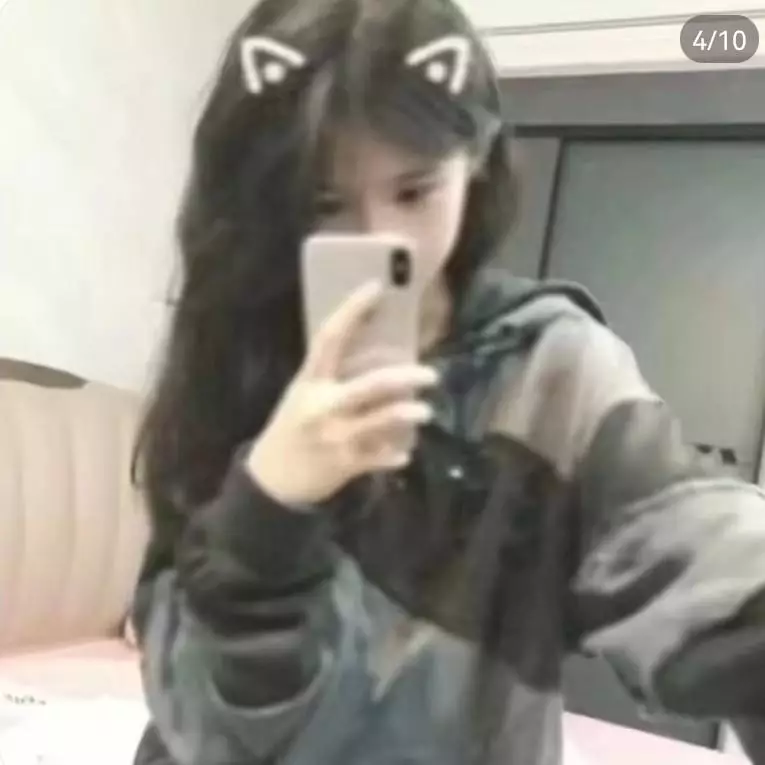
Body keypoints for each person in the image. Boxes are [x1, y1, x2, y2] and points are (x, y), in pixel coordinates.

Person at [129, 0, 765, 763]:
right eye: (325, 202)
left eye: (414, 190)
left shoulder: (550, 367)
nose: (380, 238)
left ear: (475, 162)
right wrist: (267, 507)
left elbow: (692, 541)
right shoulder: (232, 356)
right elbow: (199, 719)